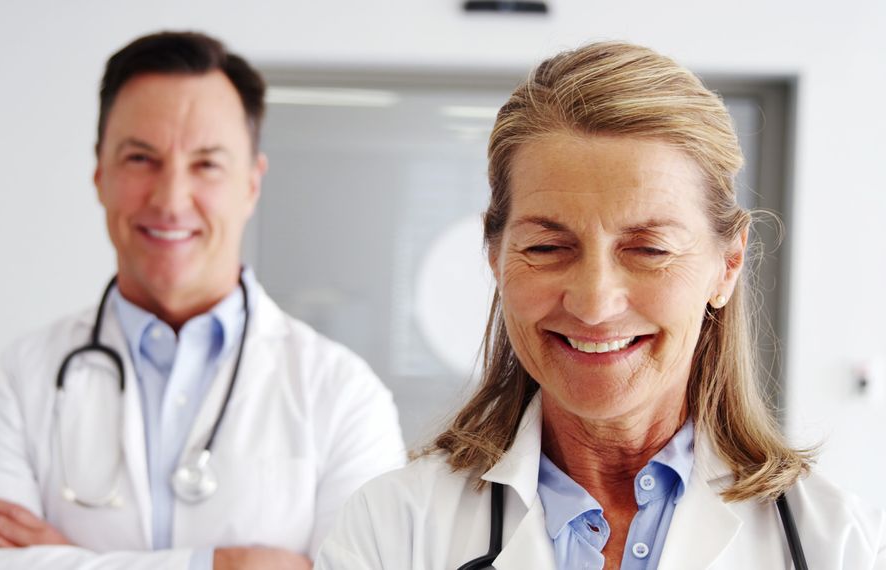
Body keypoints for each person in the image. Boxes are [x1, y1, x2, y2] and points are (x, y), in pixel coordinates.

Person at [316, 42, 886, 569]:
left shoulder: (831, 542)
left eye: (649, 249)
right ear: (495, 256)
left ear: (727, 265)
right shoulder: (393, 528)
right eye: (547, 247)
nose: (593, 303)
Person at [0, 30, 405, 570]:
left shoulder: (344, 396)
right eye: (141, 158)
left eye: (206, 165)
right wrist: (221, 565)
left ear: (251, 183)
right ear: (100, 172)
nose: (170, 200)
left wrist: (63, 559)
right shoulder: (19, 381)